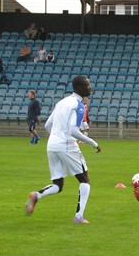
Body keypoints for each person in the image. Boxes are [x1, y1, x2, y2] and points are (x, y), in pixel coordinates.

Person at [24, 76, 101, 224]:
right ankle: (79, 217)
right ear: (79, 88)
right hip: (66, 144)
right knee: (84, 179)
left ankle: (36, 195)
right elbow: (73, 130)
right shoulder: (79, 105)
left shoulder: (62, 102)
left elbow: (47, 125)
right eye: (87, 86)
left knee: (58, 185)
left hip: (52, 144)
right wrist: (94, 143)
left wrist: (56, 137)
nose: (90, 88)